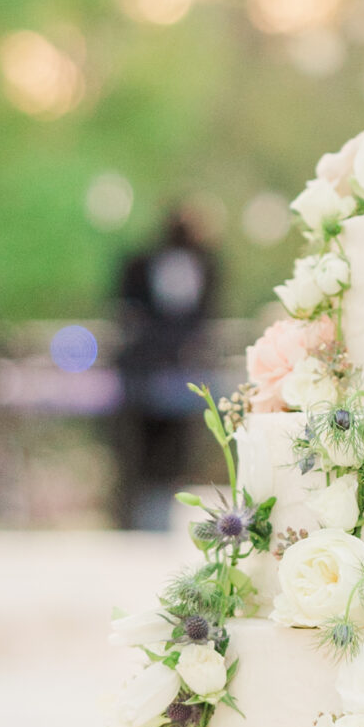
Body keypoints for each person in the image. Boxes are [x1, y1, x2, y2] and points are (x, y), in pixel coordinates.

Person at [113, 206, 220, 530]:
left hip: (184, 371)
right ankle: (135, 519)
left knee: (177, 449)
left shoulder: (208, 265)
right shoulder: (140, 263)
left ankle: (161, 517)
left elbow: (205, 316)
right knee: (139, 449)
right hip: (143, 372)